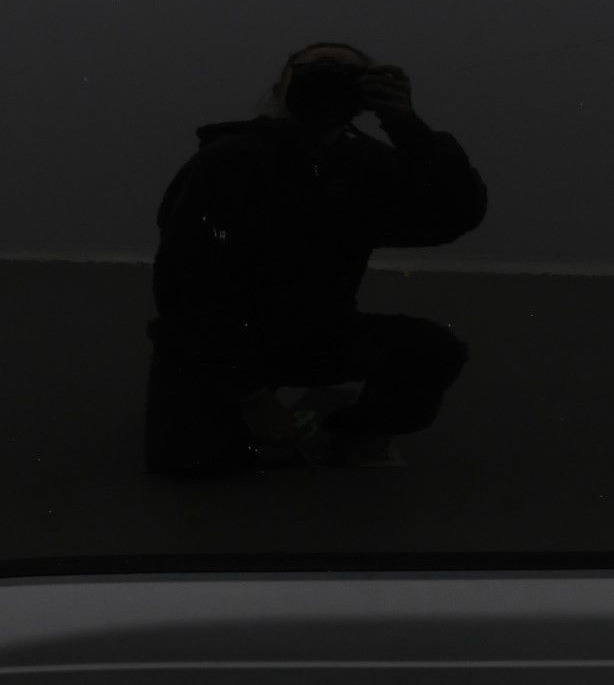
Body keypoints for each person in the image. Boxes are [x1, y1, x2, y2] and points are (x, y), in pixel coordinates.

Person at [145, 42, 488, 473]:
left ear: (367, 94)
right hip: (224, 339)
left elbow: (454, 214)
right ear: (279, 88)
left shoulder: (365, 166)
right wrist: (250, 394)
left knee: (433, 350)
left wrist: (406, 124)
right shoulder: (228, 161)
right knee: (189, 465)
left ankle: (354, 431)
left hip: (318, 332)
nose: (327, 81)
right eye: (316, 69)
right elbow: (187, 286)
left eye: (346, 75)